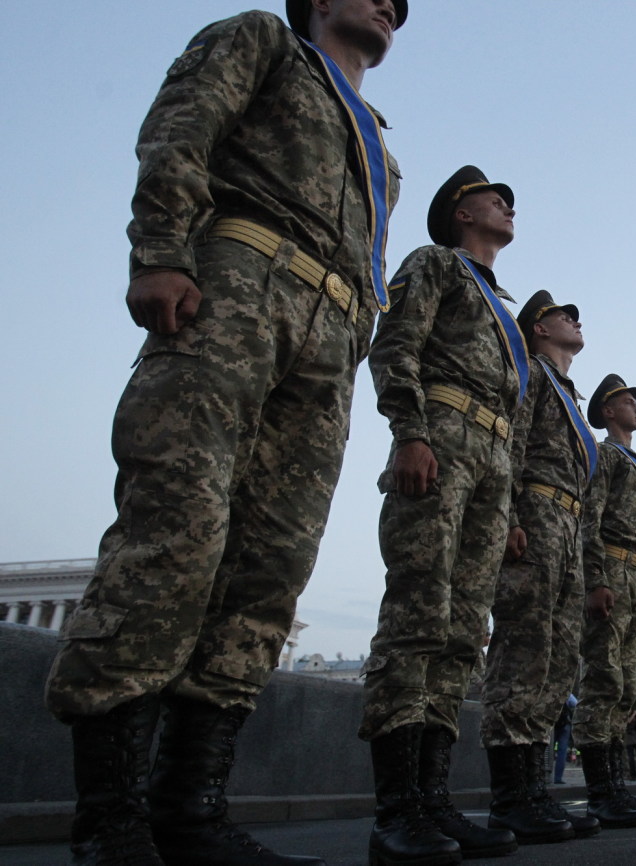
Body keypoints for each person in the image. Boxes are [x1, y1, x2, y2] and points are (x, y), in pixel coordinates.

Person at [43, 3, 406, 864]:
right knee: (178, 529)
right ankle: (109, 818)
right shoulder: (265, 41)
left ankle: (191, 807)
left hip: (331, 334)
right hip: (243, 281)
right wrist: (162, 249)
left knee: (269, 569)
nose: (391, 5)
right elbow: (183, 124)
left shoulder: (379, 140)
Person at [358, 165, 529, 863]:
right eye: (495, 197)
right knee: (417, 615)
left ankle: (434, 802)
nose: (507, 205)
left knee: (462, 634)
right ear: (462, 214)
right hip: (444, 440)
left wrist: (511, 500)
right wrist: (412, 432)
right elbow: (395, 345)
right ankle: (396, 810)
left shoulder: (501, 309)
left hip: (491, 462)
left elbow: (515, 416)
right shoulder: (435, 265)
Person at [478, 289, 600, 842]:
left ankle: (534, 791)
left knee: (555, 660)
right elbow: (513, 444)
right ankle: (510, 796)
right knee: (523, 649)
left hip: (569, 528)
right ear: (539, 329)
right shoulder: (529, 372)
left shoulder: (569, 396)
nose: (575, 320)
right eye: (562, 315)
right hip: (536, 513)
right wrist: (506, 515)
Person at [573, 374, 636, 828]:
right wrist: (594, 578)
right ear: (609, 411)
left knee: (628, 686)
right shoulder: (608, 456)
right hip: (610, 568)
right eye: (630, 401)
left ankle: (615, 787)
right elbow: (590, 516)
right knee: (604, 679)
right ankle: (600, 792)